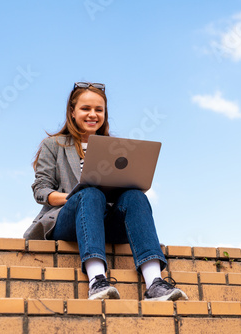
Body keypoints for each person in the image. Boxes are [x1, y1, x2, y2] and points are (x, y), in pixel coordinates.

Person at [24, 82, 187, 301]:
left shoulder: (117, 147)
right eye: (85, 109)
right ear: (72, 112)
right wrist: (74, 197)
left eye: (99, 110)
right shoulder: (53, 145)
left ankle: (155, 283)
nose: (93, 114)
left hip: (106, 221)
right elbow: (41, 190)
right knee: (90, 194)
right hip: (69, 220)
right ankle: (97, 281)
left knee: (136, 196)